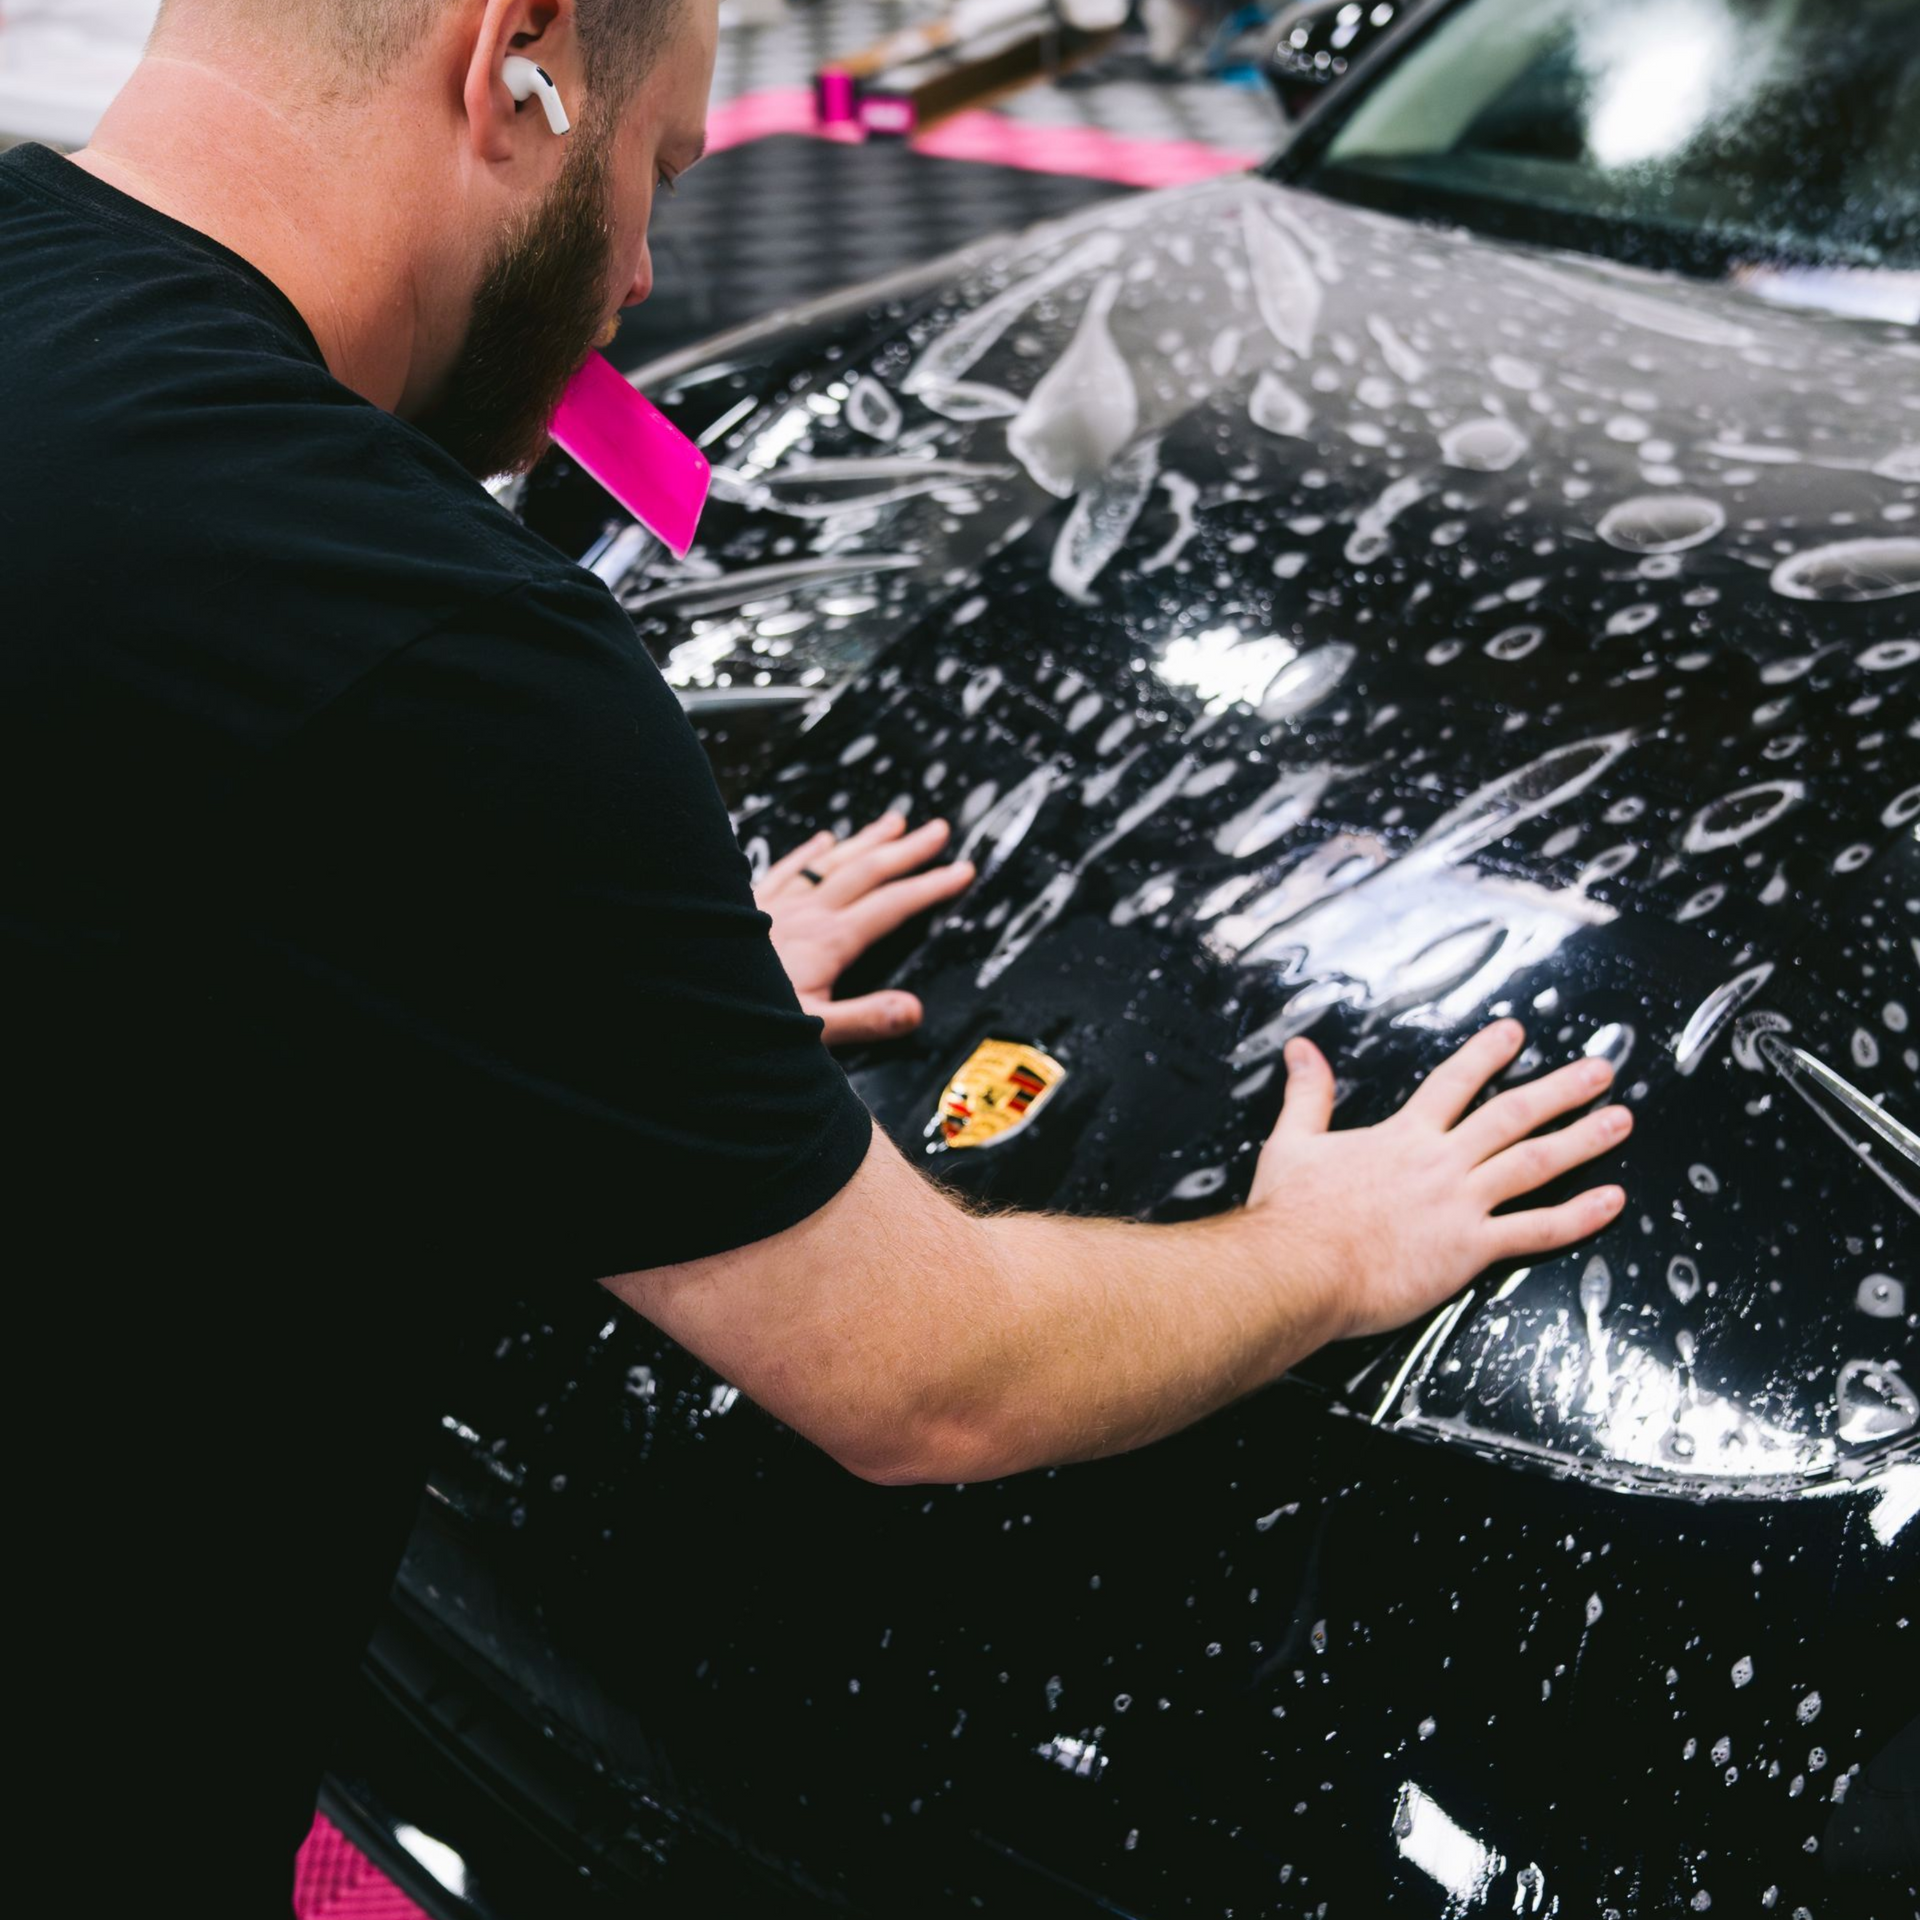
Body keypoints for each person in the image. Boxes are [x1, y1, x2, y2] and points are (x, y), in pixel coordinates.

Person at [0, 0, 1632, 1907]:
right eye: (657, 169)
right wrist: (1332, 1244)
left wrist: (556, 987)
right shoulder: (424, 638)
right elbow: (927, 1383)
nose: (644, 269)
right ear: (514, 63)